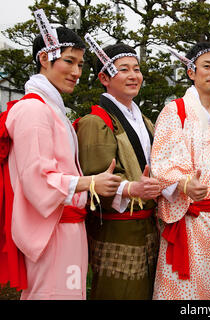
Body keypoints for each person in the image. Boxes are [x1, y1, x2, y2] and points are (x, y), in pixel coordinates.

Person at [0, 10, 121, 299]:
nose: (77, 72)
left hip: (66, 226)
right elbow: (37, 180)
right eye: (69, 61)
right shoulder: (33, 110)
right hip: (53, 230)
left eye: (80, 64)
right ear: (45, 58)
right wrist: (88, 183)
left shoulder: (51, 109)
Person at [75, 40, 161, 299]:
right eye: (124, 69)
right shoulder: (95, 121)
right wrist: (131, 187)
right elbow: (97, 179)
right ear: (104, 77)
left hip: (146, 224)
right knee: (119, 292)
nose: (133, 75)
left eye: (136, 68)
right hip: (117, 227)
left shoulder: (143, 118)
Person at [150, 42, 210, 300]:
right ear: (191, 72)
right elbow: (161, 162)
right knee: (182, 289)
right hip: (190, 218)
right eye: (206, 66)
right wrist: (184, 184)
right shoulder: (175, 111)